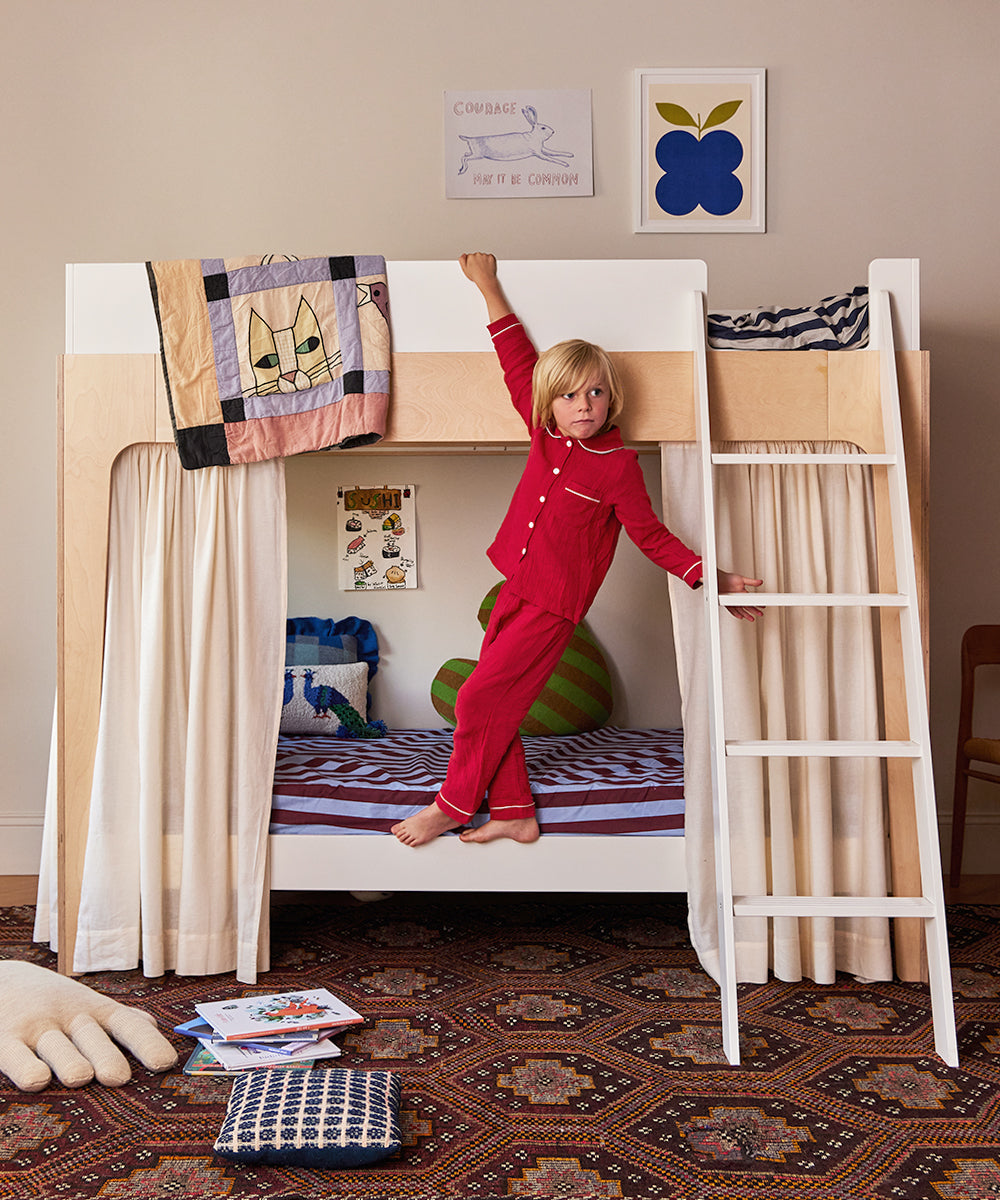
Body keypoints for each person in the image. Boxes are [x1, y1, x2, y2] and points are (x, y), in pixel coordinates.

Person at [391, 253, 762, 849]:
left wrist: (711, 580)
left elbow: (651, 535)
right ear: (550, 404)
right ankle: (514, 810)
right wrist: (487, 286)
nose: (582, 404)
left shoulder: (617, 467)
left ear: (610, 399)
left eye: (594, 392)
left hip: (552, 606)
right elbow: (517, 364)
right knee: (496, 698)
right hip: (515, 585)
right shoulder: (544, 436)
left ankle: (453, 804)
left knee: (479, 696)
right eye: (568, 395)